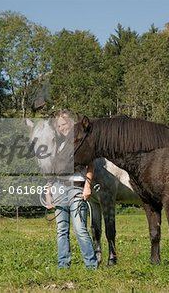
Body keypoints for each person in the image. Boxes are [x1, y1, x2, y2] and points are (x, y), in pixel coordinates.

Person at [45, 109, 97, 269]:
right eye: (59, 125)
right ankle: (63, 265)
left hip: (76, 188)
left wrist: (87, 186)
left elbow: (91, 165)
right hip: (59, 188)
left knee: (80, 228)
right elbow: (51, 171)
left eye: (65, 124)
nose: (62, 128)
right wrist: (48, 192)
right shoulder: (58, 145)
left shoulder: (80, 141)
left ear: (71, 123)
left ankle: (91, 265)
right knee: (62, 230)